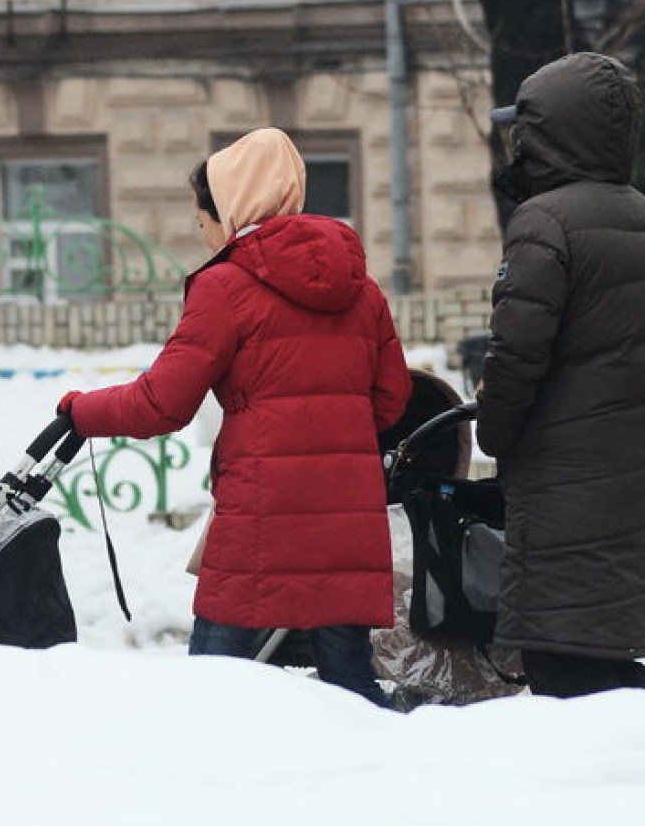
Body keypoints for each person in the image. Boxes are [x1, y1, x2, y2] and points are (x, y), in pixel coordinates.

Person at [57, 128, 411, 706]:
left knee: (213, 681)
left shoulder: (227, 286)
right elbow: (391, 399)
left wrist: (79, 411)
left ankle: (202, 778)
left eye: (202, 221)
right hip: (346, 509)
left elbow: (162, 403)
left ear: (231, 210)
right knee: (349, 680)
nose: (203, 235)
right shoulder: (361, 288)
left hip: (262, 509)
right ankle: (373, 780)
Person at [476, 51, 645, 698]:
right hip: (628, 480)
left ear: (548, 135)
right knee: (615, 661)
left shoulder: (545, 223)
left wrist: (494, 426)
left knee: (562, 664)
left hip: (561, 485)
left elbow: (516, 355)